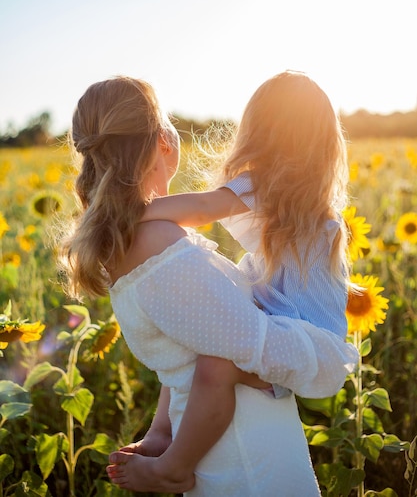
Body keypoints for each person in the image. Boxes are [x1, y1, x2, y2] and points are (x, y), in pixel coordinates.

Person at [60, 75, 358, 496]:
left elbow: (196, 346)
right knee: (217, 364)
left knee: (216, 361)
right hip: (248, 465)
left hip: (248, 441)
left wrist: (119, 215)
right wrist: (125, 214)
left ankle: (169, 455)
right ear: (163, 139)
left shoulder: (139, 242)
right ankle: (172, 466)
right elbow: (239, 342)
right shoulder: (160, 244)